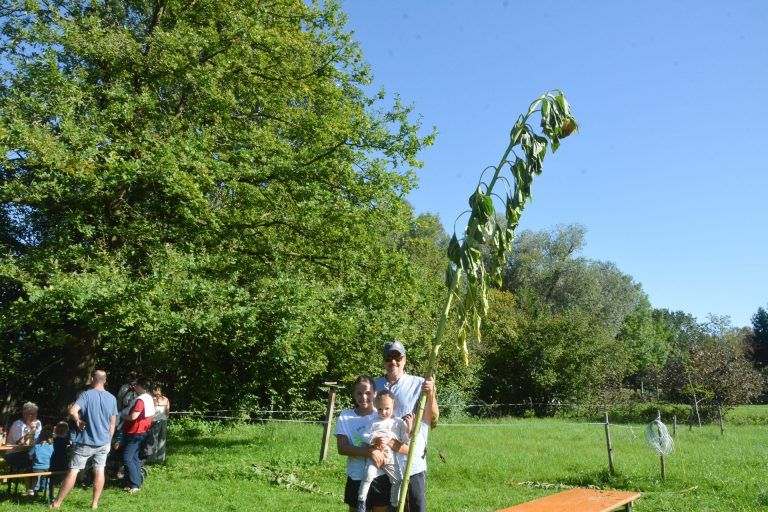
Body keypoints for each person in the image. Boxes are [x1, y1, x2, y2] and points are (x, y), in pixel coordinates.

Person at [374, 340, 439, 512]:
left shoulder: (419, 384)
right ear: (383, 361)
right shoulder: (376, 385)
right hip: (384, 464)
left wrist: (431, 393)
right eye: (389, 358)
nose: (393, 362)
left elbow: (433, 421)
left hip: (412, 464)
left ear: (404, 359)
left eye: (397, 357)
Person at [51, 369, 118, 510]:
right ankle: (94, 504)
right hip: (104, 441)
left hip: (86, 441)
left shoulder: (86, 395)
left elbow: (72, 411)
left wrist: (77, 420)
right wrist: (109, 440)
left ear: (93, 379)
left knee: (73, 470)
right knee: (100, 470)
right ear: (104, 380)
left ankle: (57, 503)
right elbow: (113, 423)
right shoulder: (112, 398)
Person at [335, 376, 402, 512]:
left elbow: (402, 445)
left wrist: (387, 442)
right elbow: (342, 448)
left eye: (368, 393)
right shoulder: (346, 416)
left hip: (381, 475)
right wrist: (370, 452)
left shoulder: (384, 414)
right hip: (356, 476)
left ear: (375, 394)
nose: (363, 397)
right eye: (359, 393)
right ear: (354, 394)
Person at [356, 390, 408, 512]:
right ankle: (361, 500)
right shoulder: (374, 422)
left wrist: (409, 428)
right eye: (379, 409)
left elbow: (404, 440)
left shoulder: (398, 422)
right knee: (368, 474)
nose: (383, 412)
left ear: (393, 406)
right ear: (376, 407)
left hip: (390, 456)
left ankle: (393, 504)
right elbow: (363, 435)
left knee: (398, 479)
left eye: (386, 408)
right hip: (375, 454)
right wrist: (373, 439)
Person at [120, 376, 155, 493]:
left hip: (135, 432)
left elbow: (134, 416)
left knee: (127, 458)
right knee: (134, 458)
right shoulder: (149, 398)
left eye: (137, 385)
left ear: (141, 386)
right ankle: (133, 482)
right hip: (142, 432)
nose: (135, 387)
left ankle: (135, 485)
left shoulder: (140, 400)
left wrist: (122, 416)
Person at [3, 402, 42, 476]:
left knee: (44, 456)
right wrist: (31, 431)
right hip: (14, 453)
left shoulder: (38, 423)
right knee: (37, 460)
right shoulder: (18, 424)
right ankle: (33, 484)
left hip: (30, 452)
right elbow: (19, 443)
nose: (34, 416)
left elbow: (36, 441)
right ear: (24, 414)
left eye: (35, 414)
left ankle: (38, 484)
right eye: (31, 414)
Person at [144, 385, 170, 464]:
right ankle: (160, 459)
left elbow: (149, 412)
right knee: (162, 440)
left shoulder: (152, 400)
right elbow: (167, 412)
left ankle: (151, 459)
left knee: (152, 441)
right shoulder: (166, 399)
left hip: (154, 421)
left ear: (154, 391)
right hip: (163, 421)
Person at [29, 425, 55, 496]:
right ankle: (45, 489)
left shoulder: (36, 446)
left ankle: (35, 491)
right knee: (46, 478)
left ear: (40, 437)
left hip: (36, 467)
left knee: (36, 478)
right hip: (48, 467)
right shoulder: (52, 447)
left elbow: (30, 457)